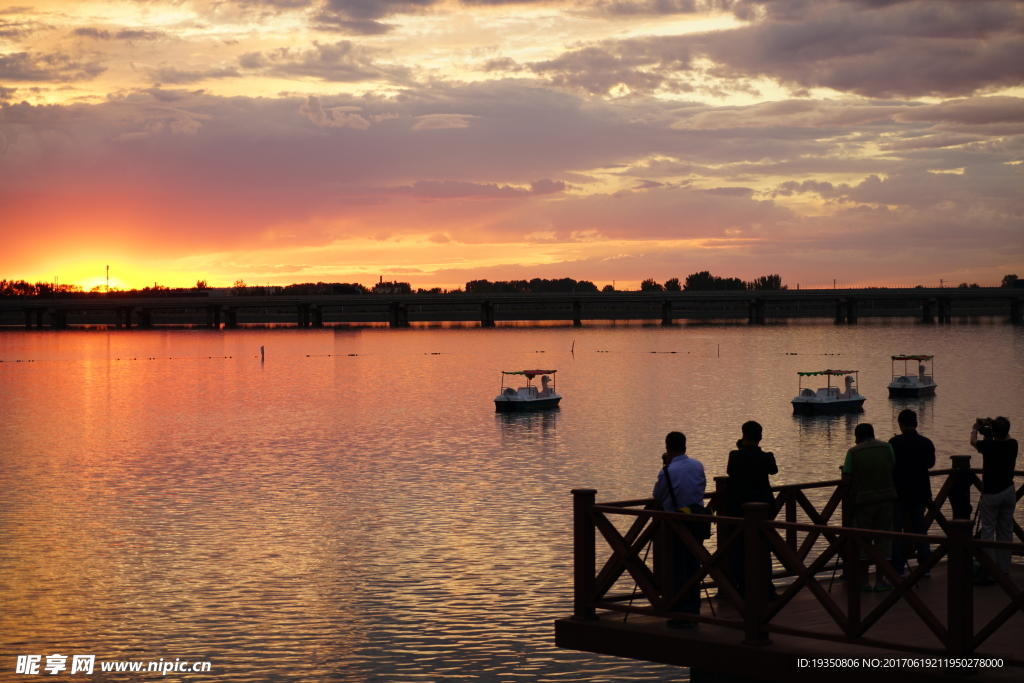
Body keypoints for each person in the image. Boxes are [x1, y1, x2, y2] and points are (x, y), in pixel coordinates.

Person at [653, 431, 707, 628]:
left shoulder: (668, 471)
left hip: (675, 524)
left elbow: (658, 496)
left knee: (678, 568)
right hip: (697, 522)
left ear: (667, 448)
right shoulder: (697, 465)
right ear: (685, 446)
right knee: (694, 567)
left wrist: (665, 467)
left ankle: (682, 613)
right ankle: (694, 610)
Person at [726, 421, 779, 599]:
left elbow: (730, 472)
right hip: (764, 510)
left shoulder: (735, 456)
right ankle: (768, 589)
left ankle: (743, 589)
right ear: (760, 437)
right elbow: (774, 470)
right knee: (765, 550)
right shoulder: (766, 457)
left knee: (740, 551)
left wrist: (740, 446)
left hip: (740, 510)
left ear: (743, 436)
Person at [842, 423, 897, 592]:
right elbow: (893, 468)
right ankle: (880, 581)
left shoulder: (853, 452)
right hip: (887, 500)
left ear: (857, 437)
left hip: (863, 502)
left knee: (863, 542)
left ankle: (864, 582)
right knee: (884, 541)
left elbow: (846, 480)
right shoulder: (887, 447)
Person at [970, 416, 1018, 585]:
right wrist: (995, 427)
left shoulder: (988, 446)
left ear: (994, 431)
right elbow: (1007, 436)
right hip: (1008, 491)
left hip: (991, 494)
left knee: (988, 532)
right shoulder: (1013, 444)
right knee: (1006, 530)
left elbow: (973, 442)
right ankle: (1004, 568)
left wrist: (976, 428)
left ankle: (990, 569)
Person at [889, 409, 935, 577]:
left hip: (899, 492)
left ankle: (899, 567)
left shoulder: (894, 442)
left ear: (900, 424)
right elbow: (930, 464)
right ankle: (925, 567)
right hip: (920, 491)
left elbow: (890, 465)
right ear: (916, 423)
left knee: (896, 530)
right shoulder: (926, 442)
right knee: (921, 530)